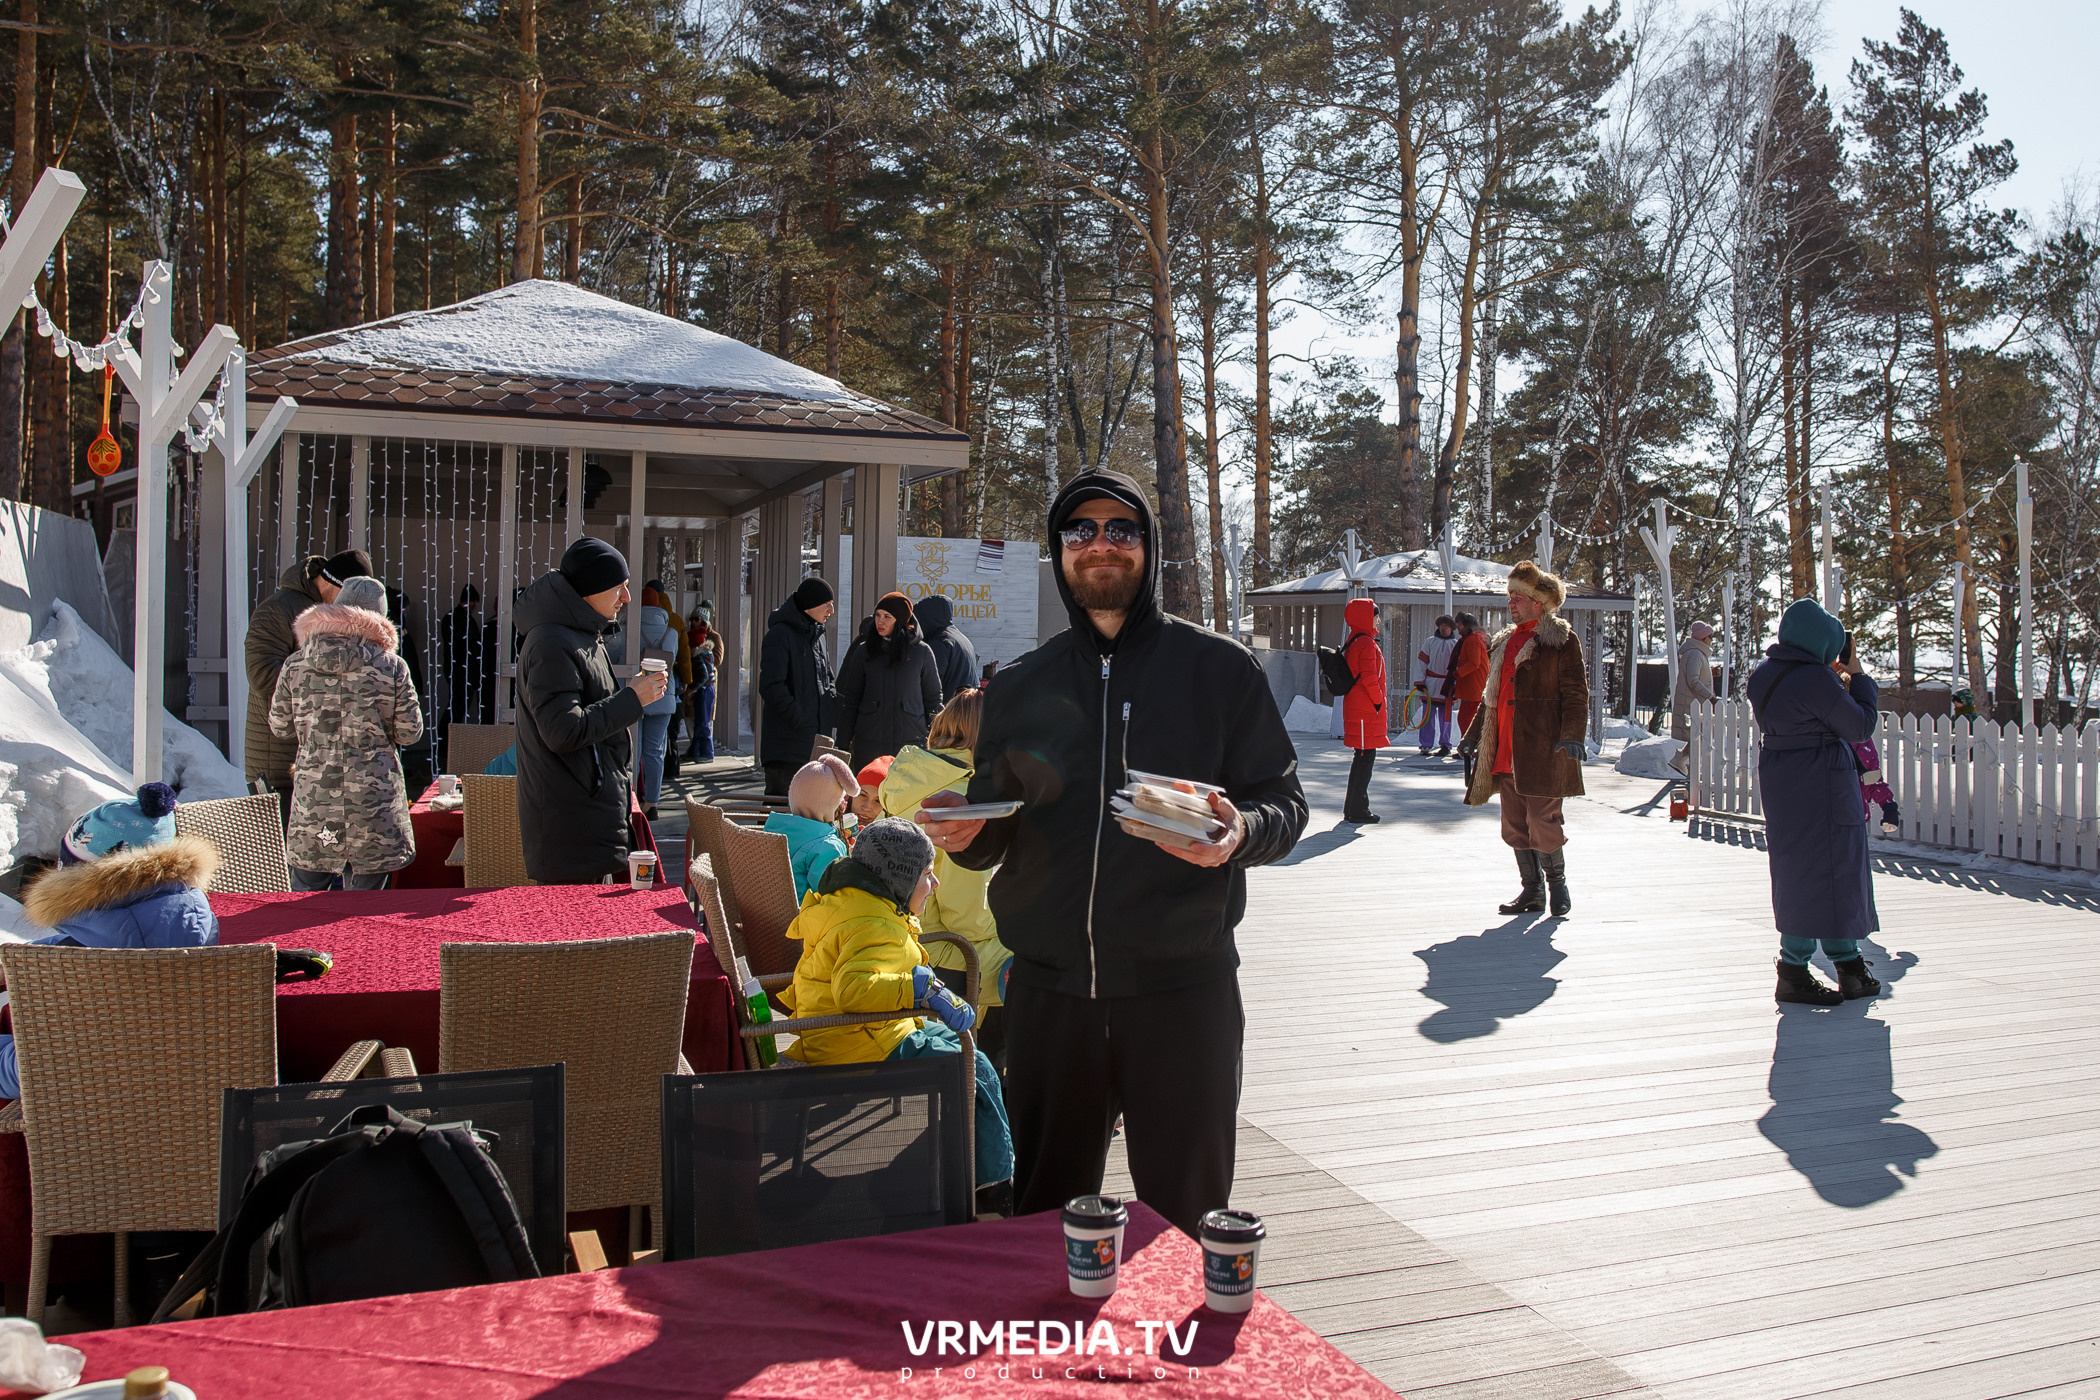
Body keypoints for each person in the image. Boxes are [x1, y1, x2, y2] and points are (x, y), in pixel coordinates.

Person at [918, 469, 1308, 1239]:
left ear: (1148, 547)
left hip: (1183, 992)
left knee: (1187, 1223)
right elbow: (998, 825)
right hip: (1050, 997)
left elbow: (1285, 804)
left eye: (1121, 529)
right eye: (1082, 530)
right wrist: (967, 831)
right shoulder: (1020, 685)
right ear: (1061, 549)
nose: (1102, 545)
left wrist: (1239, 832)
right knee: (1043, 1222)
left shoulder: (1219, 669)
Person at [781, 817, 1015, 1210]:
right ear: (900, 877)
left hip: (857, 1034)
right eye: (927, 874)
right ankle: (992, 1188)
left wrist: (925, 990)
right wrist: (919, 989)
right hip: (858, 1048)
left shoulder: (856, 902)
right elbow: (853, 990)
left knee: (971, 1057)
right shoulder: (873, 923)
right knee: (973, 1069)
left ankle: (966, 1160)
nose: (934, 884)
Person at [1, 785, 223, 1098]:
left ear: (82, 879)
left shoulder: (95, 974)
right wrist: (27, 958)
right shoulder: (195, 916)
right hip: (201, 1078)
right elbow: (124, 934)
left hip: (111, 1100)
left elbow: (40, 1069)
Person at [1748, 600, 1884, 1006]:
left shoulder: (1764, 674)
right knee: (1838, 870)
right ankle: (1828, 967)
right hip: (1824, 781)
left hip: (1783, 781)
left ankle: (1818, 967)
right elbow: (1859, 725)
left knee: (1798, 870)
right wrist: (1858, 677)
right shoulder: (1815, 679)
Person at [513, 537, 667, 884]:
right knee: (572, 919)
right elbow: (563, 731)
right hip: (570, 827)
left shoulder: (580, 634)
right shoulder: (552, 641)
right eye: (619, 587)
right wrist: (633, 699)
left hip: (588, 816)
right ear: (590, 590)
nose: (627, 597)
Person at [879, 688, 1012, 1064]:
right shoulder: (963, 797)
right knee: (1048, 958)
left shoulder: (909, 780)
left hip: (901, 942)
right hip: (947, 955)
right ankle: (990, 1076)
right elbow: (968, 919)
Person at [269, 577, 423, 891]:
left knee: (304, 896)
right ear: (380, 619)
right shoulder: (391, 667)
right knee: (364, 904)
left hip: (314, 799)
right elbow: (410, 733)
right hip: (373, 801)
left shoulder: (295, 664)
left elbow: (280, 726)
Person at [1459, 561, 1587, 918]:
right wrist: (1472, 737)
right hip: (1505, 748)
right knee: (1515, 825)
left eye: (1518, 597)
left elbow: (1576, 694)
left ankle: (1558, 885)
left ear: (1538, 602)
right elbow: (1491, 697)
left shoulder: (1560, 640)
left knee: (1543, 821)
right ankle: (1532, 891)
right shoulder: (1505, 641)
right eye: (1510, 597)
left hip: (1543, 749)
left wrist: (1572, 735)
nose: (1511, 603)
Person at [245, 549, 371, 803]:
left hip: (317, 759)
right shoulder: (278, 609)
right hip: (279, 762)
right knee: (283, 830)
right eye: (348, 596)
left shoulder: (329, 612)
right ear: (332, 584)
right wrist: (329, 695)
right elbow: (262, 674)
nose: (350, 606)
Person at [835, 593, 942, 772]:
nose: (880, 621)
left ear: (900, 621)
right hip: (869, 746)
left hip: (910, 747)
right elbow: (851, 700)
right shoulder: (864, 651)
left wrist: (938, 743)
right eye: (878, 615)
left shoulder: (922, 653)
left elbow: (933, 700)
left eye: (887, 617)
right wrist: (843, 744)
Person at [758, 577, 839, 796]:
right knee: (781, 806)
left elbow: (828, 680)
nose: (831, 610)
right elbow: (771, 686)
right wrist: (799, 718)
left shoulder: (818, 636)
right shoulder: (780, 635)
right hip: (786, 748)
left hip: (816, 745)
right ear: (810, 604)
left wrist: (829, 715)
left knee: (811, 807)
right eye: (826, 604)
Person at [765, 753, 859, 900]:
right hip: (804, 913)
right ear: (832, 805)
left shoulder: (773, 828)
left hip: (766, 909)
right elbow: (836, 897)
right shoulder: (827, 846)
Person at [634, 584, 686, 821]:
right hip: (663, 694)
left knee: (634, 749)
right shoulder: (671, 633)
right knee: (655, 750)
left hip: (636, 695)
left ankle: (632, 797)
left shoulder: (630, 629)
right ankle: (652, 802)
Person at [1339, 598, 1389, 824]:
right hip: (1365, 709)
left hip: (1358, 707)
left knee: (1361, 758)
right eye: (1375, 615)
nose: (1378, 620)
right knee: (1364, 759)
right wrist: (1379, 701)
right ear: (1366, 618)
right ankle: (1358, 809)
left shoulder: (1355, 640)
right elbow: (1369, 677)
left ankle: (1353, 808)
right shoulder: (1366, 643)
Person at [441, 584, 498, 733]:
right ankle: (446, 737)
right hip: (463, 670)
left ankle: (446, 738)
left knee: (458, 706)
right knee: (458, 706)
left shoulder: (455, 617)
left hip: (460, 669)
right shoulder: (461, 619)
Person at [916, 594, 980, 707]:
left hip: (949, 710)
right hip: (968, 709)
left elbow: (930, 684)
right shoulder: (961, 638)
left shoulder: (940, 642)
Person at [1671, 621, 1717, 775]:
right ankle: (1686, 764)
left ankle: (1681, 759)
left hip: (1694, 701)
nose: (1711, 639)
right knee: (1699, 735)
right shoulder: (1695, 654)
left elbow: (1695, 676)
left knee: (1698, 735)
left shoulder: (1696, 653)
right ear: (1703, 638)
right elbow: (1693, 681)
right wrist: (1711, 697)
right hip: (1693, 702)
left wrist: (1711, 674)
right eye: (1709, 636)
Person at [1414, 614, 1460, 756]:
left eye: (1446, 625)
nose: (1443, 628)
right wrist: (1420, 681)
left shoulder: (1456, 644)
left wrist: (1456, 685)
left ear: (1451, 628)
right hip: (1430, 684)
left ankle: (1445, 744)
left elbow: (1459, 666)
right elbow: (1421, 662)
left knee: (1445, 717)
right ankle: (1425, 744)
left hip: (1447, 684)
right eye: (1441, 625)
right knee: (1427, 716)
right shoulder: (1429, 642)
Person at [686, 601, 723, 763]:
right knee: (693, 719)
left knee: (704, 720)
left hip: (704, 683)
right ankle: (695, 749)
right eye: (691, 619)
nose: (693, 622)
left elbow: (717, 659)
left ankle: (705, 752)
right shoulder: (690, 635)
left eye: (696, 619)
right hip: (696, 683)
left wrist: (701, 655)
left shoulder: (713, 637)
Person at [1451, 611, 1490, 738]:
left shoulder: (1472, 640)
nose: (1457, 627)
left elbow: (1474, 663)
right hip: (1475, 686)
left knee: (1466, 719)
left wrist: (1457, 673)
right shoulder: (1476, 639)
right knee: (1467, 718)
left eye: (1459, 624)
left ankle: (1469, 744)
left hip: (1473, 687)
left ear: (1466, 625)